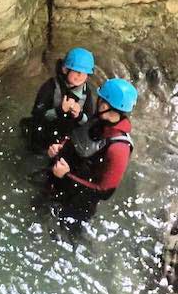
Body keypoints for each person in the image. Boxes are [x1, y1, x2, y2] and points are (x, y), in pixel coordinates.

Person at [47, 77, 137, 222]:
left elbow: (104, 192)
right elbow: (78, 137)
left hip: (77, 205)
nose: (97, 101)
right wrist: (60, 147)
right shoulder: (97, 120)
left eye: (100, 99)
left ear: (105, 105)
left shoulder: (119, 149)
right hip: (60, 181)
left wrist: (66, 176)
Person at [20, 47, 97, 153]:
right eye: (77, 71)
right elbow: (37, 115)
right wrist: (59, 110)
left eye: (84, 73)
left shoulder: (86, 93)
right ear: (65, 69)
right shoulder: (50, 87)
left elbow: (88, 120)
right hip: (45, 131)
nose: (80, 76)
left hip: (63, 136)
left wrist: (79, 115)